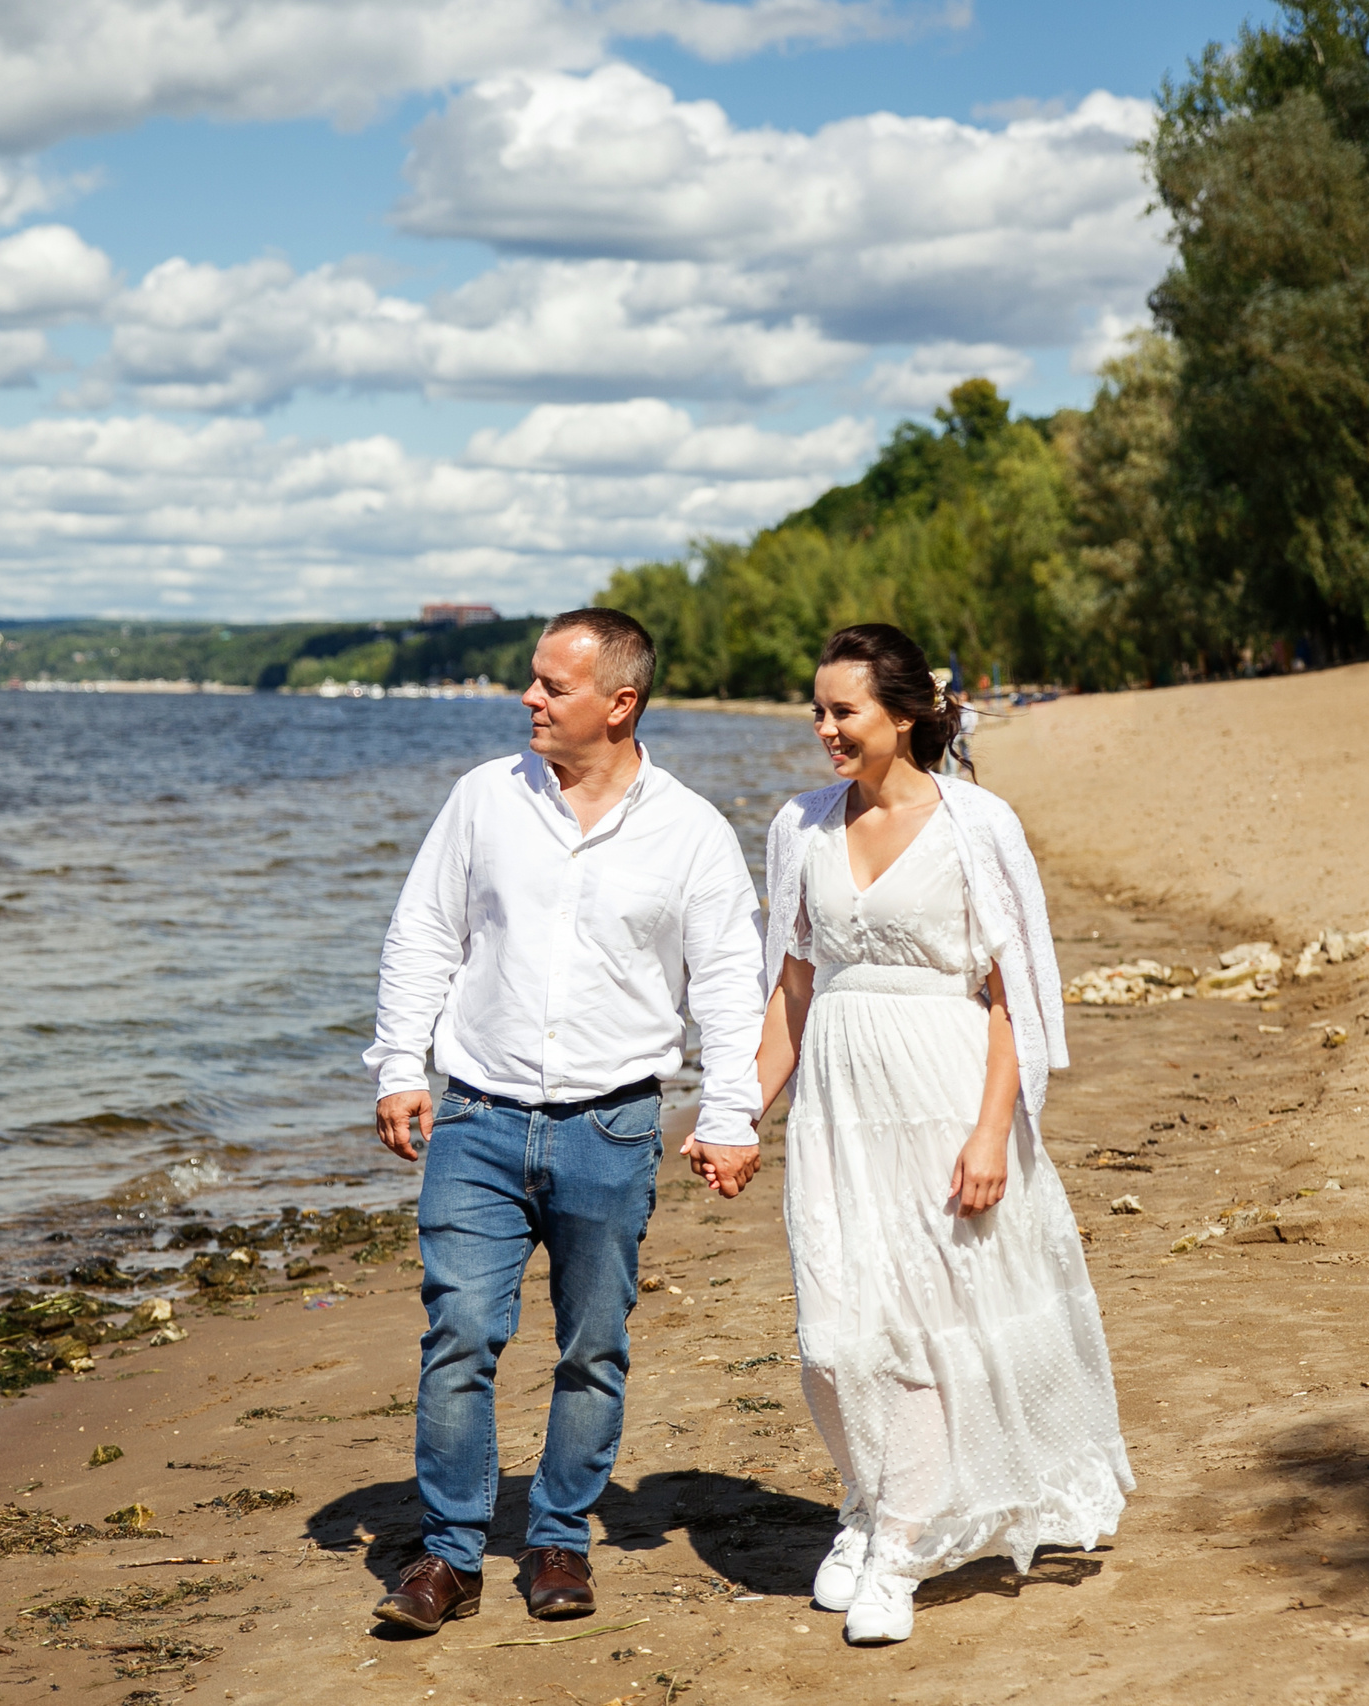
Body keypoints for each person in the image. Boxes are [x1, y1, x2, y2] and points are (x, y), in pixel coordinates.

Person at [362, 608, 767, 1634]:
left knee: (593, 1348)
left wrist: (731, 1113)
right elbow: (422, 932)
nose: (529, 698)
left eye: (553, 684)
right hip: (478, 1117)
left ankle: (556, 1540)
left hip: (611, 1127)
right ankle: (451, 1553)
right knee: (459, 1333)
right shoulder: (483, 799)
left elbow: (729, 984)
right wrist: (399, 1065)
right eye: (533, 679)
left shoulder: (691, 831)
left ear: (619, 703)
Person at [750, 623, 1131, 1647]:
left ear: (905, 712)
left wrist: (993, 1131)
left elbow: (1014, 995)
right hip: (837, 1110)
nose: (824, 728)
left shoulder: (978, 823)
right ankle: (866, 1500)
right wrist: (739, 1112)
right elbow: (791, 989)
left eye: (844, 710)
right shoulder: (798, 825)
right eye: (818, 710)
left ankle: (896, 1551)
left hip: (945, 1095)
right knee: (832, 1342)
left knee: (917, 1333)